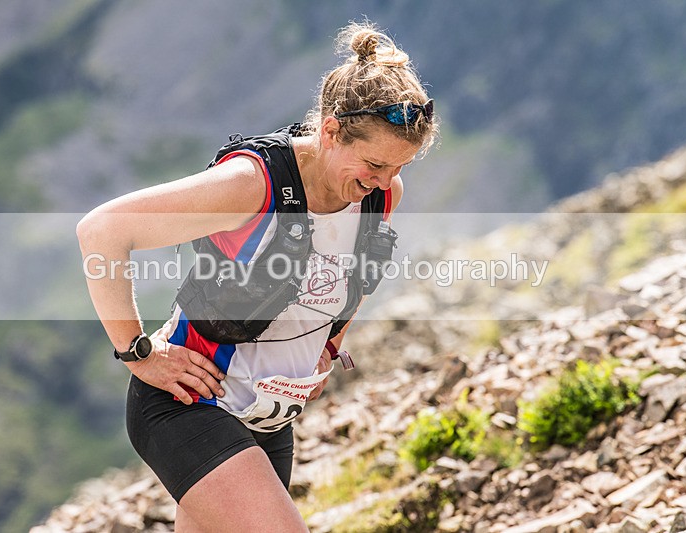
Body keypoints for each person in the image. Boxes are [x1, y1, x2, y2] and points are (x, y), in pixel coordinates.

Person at [76, 21, 437, 533]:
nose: (382, 181)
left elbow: (356, 273)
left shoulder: (381, 195)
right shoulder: (252, 184)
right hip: (192, 403)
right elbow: (102, 231)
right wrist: (138, 354)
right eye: (374, 164)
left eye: (399, 167)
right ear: (330, 132)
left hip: (270, 418)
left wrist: (327, 347)